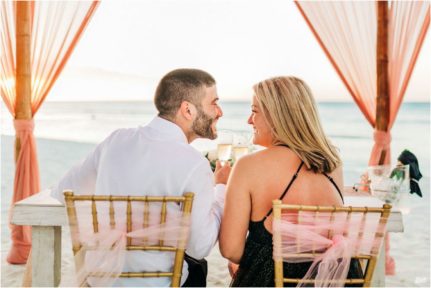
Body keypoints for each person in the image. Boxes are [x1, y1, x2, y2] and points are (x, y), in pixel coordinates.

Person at [51, 68, 231, 287]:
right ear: (187, 110)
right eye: (214, 102)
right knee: (197, 266)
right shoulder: (194, 164)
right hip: (159, 283)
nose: (220, 111)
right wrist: (220, 189)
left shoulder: (115, 141)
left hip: (102, 280)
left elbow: (64, 191)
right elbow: (199, 247)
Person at [219, 76, 362, 286]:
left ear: (277, 116)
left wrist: (222, 186)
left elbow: (231, 249)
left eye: (254, 111)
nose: (249, 120)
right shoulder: (333, 163)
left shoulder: (248, 166)